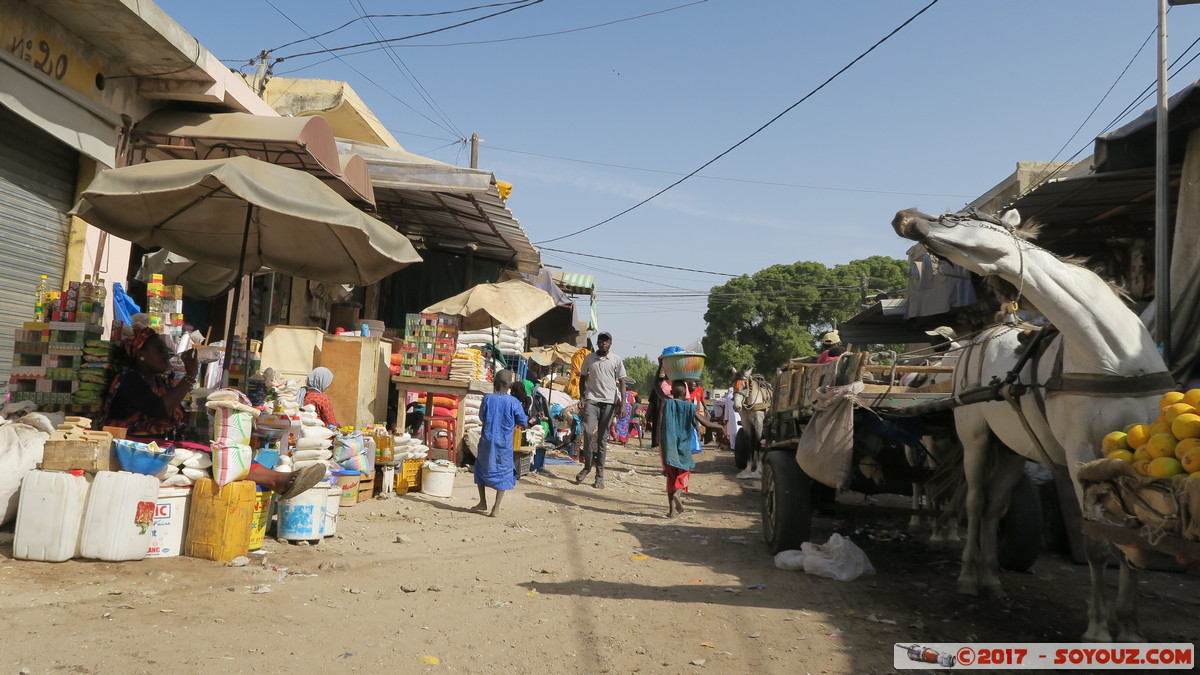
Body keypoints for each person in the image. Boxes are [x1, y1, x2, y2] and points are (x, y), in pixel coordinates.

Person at [102, 327, 325, 500]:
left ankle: (277, 478)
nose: (166, 354)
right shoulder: (130, 380)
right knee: (215, 454)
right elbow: (161, 410)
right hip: (130, 444)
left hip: (154, 443)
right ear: (140, 354)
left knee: (218, 450)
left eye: (167, 350)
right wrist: (190, 376)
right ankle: (277, 480)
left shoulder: (159, 381)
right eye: (159, 350)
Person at [659, 380, 724, 517]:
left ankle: (671, 511)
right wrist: (720, 427)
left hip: (668, 446)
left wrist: (659, 369)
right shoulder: (689, 406)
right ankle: (678, 494)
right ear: (685, 393)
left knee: (671, 477)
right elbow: (705, 422)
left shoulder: (667, 402)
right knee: (685, 471)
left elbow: (656, 387)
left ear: (671, 392)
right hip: (683, 446)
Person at [472, 369, 528, 517]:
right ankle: (496, 508)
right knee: (504, 471)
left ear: (494, 382)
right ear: (509, 386)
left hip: (487, 440)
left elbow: (482, 417)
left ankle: (482, 502)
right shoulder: (514, 402)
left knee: (481, 468)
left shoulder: (487, 399)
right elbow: (523, 421)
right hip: (504, 443)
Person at [575, 332, 627, 489]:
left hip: (609, 403)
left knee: (602, 439)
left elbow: (622, 382)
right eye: (601, 340)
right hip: (592, 400)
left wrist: (623, 404)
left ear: (611, 343)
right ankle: (587, 466)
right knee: (588, 431)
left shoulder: (616, 360)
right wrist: (582, 397)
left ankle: (599, 476)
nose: (604, 343)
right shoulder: (589, 358)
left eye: (607, 341)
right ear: (597, 343)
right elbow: (583, 378)